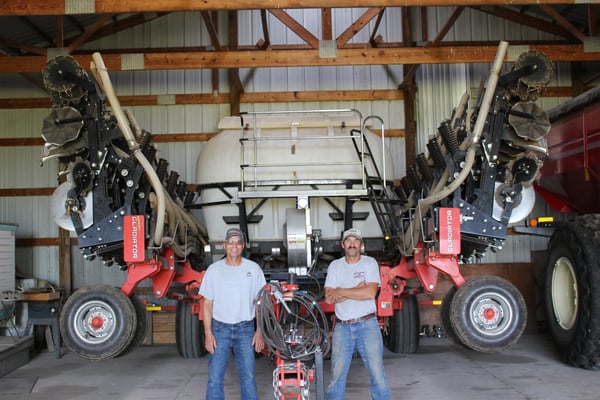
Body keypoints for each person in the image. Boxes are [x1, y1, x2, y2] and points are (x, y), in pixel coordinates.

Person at [199, 227, 267, 400]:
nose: (234, 246)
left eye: (238, 243)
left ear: (243, 246)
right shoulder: (214, 270)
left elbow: (260, 303)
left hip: (245, 329)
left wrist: (259, 331)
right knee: (215, 379)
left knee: (248, 378)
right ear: (225, 245)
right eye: (231, 243)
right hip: (220, 329)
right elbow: (207, 304)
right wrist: (208, 333)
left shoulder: (254, 269)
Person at [324, 228, 390, 400]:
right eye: (348, 240)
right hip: (342, 327)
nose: (352, 244)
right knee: (336, 377)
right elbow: (330, 298)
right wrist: (357, 289)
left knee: (378, 375)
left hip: (367, 326)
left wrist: (341, 291)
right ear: (343, 244)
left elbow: (369, 293)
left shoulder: (369, 263)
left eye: (356, 241)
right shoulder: (335, 266)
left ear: (361, 245)